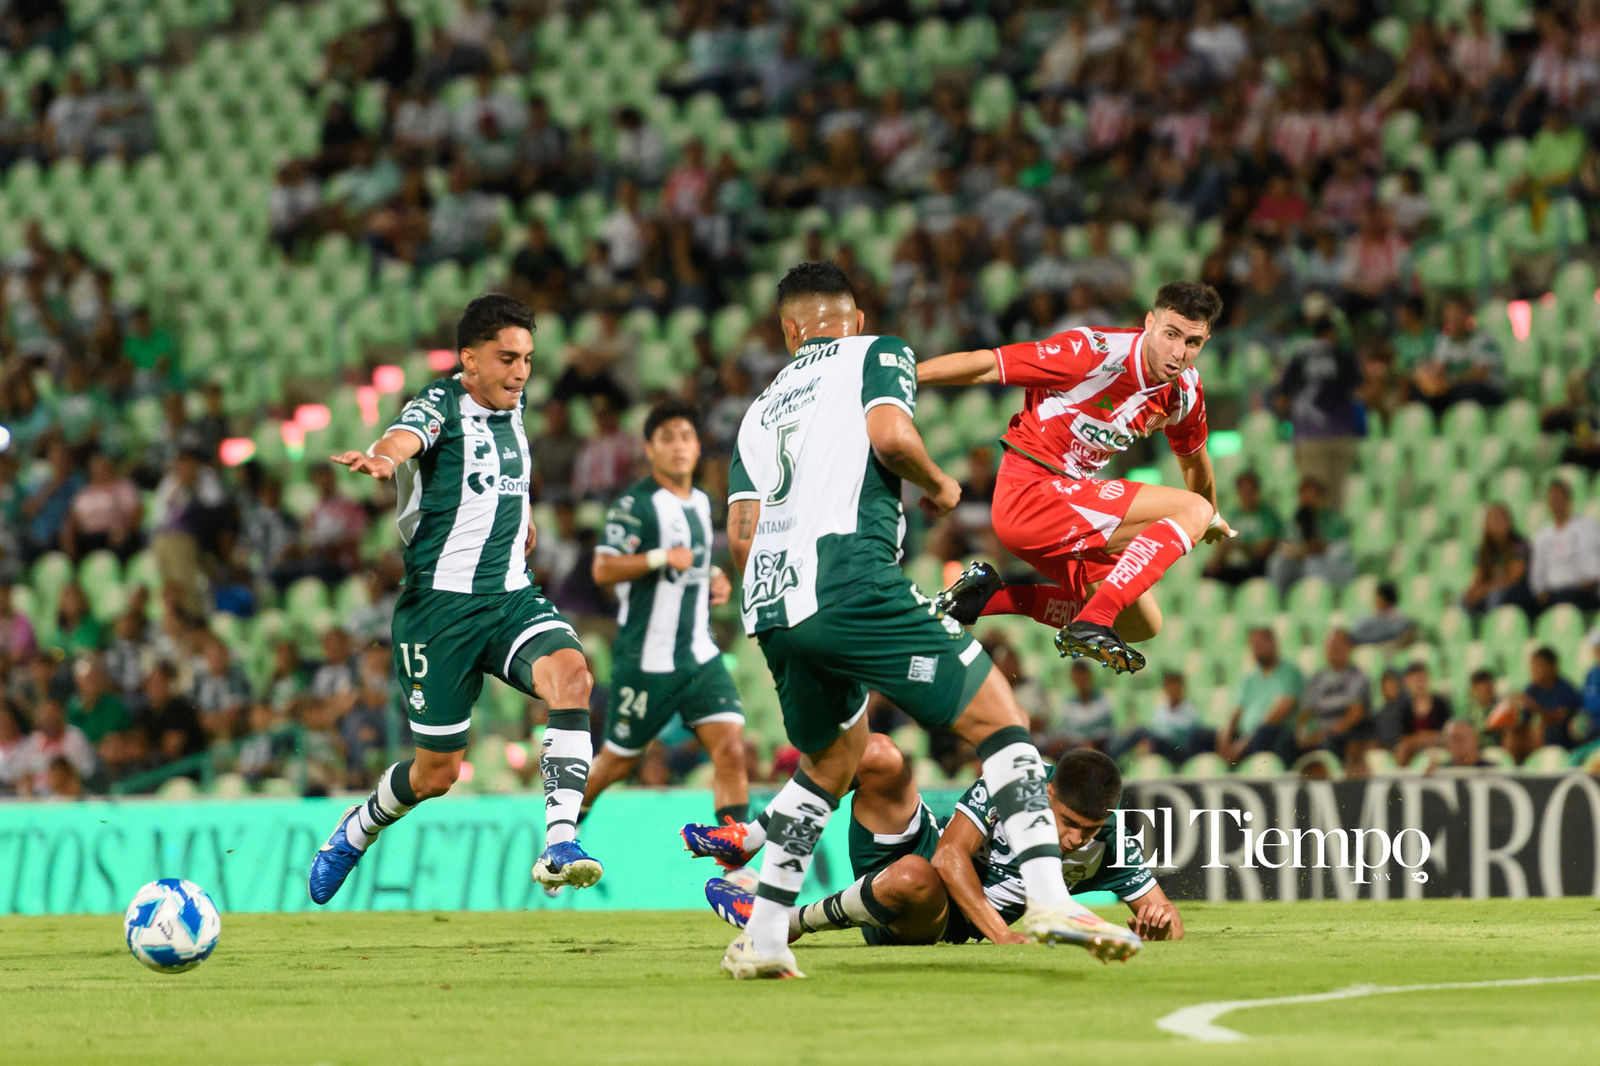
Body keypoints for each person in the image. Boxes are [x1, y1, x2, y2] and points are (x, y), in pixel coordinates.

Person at [682, 262, 1140, 979]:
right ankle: (1051, 898)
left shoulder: (759, 408)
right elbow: (892, 437)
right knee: (998, 717)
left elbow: (741, 532)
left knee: (831, 762)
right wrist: (940, 483)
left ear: (788, 330)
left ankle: (765, 937)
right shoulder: (880, 352)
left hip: (769, 604)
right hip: (851, 577)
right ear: (857, 319)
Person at [308, 295, 604, 905]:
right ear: (468, 360)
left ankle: (560, 843)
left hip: (509, 599)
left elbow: (500, 480)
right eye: (506, 359)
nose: (520, 372)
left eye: (526, 359)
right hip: (438, 614)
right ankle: (356, 830)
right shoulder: (442, 401)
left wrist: (523, 520)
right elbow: (404, 435)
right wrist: (382, 459)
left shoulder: (513, 408)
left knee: (573, 677)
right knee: (436, 773)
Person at [918, 282, 1233, 675]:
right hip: (1030, 492)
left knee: (1142, 623)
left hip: (1067, 509)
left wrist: (1212, 517)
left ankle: (989, 597)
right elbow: (987, 364)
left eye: (1193, 342)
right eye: (1171, 334)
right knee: (1190, 511)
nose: (1178, 352)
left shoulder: (1185, 391)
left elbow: (1194, 462)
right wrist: (908, 378)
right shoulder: (1095, 353)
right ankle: (1091, 623)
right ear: (1150, 323)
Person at [703, 737, 1182, 948]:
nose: (1076, 839)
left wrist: (1159, 925)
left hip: (933, 916)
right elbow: (950, 853)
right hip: (935, 861)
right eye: (1067, 822)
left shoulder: (1110, 840)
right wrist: (1003, 933)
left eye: (1091, 830)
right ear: (1046, 793)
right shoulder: (1012, 782)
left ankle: (786, 921)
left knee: (915, 875)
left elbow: (1168, 918)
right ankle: (752, 837)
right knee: (879, 755)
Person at [580, 400, 748, 828]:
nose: (678, 446)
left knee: (730, 747)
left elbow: (688, 562)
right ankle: (561, 829)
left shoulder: (700, 503)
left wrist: (713, 577)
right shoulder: (634, 504)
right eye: (667, 438)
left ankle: (736, 874)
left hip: (698, 656)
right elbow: (602, 567)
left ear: (697, 447)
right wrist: (657, 557)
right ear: (649, 449)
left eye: (686, 437)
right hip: (646, 662)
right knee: (615, 765)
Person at [1218, 627, 1303, 764]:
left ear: (1273, 643)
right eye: (1253, 646)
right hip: (1245, 735)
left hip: (1269, 733)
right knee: (1202, 736)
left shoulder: (1289, 672)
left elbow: (1279, 712)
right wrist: (1224, 738)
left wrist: (1245, 742)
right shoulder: (1250, 679)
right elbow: (1235, 712)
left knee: (1263, 734)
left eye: (1259, 644)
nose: (1256, 650)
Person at [1529, 479, 1600, 613]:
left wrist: (1592, 580)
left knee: (1567, 596)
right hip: (1552, 594)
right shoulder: (1542, 536)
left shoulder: (1588, 526)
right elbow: (1536, 573)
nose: (1557, 503)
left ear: (1568, 500)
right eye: (1553, 499)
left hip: (1583, 591)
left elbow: (1594, 564)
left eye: (1560, 498)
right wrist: (1540, 591)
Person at [1203, 470, 1281, 586]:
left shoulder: (1268, 516)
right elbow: (1222, 544)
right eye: (1243, 490)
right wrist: (1215, 561)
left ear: (1257, 491)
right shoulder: (1234, 515)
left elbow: (1265, 549)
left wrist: (1240, 547)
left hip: (1256, 565)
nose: (1246, 494)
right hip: (1233, 564)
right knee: (1207, 573)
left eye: (1250, 490)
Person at [1462, 502, 1533, 614]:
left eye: (1500, 519)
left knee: (1495, 596)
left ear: (1508, 521)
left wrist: (1484, 590)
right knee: (1463, 600)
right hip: (1490, 590)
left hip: (1517, 593)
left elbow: (1513, 579)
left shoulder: (1519, 545)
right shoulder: (1484, 550)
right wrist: (1471, 592)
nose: (1497, 523)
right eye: (1493, 520)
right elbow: (1478, 577)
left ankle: (1494, 629)